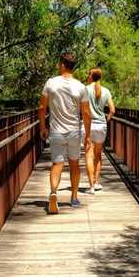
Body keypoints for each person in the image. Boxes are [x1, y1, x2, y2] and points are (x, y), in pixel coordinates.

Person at [39, 52, 92, 214]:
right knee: (74, 164)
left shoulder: (50, 83)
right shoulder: (81, 87)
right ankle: (74, 197)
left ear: (62, 64)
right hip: (74, 132)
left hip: (56, 131)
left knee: (57, 164)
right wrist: (88, 135)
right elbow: (86, 113)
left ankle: (54, 192)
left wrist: (43, 127)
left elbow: (42, 108)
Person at [84, 68, 115, 193]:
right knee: (98, 155)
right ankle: (97, 183)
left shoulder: (85, 89)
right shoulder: (106, 91)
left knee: (88, 155)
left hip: (88, 126)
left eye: (88, 74)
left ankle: (91, 186)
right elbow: (112, 110)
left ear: (91, 76)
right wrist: (106, 120)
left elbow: (81, 109)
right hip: (101, 125)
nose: (87, 76)